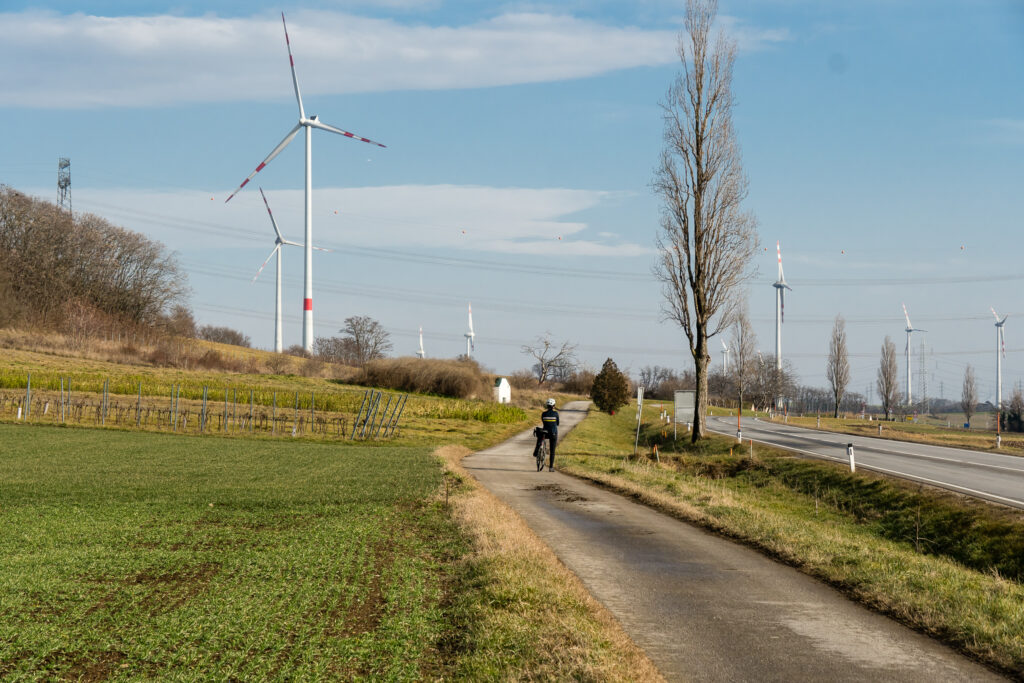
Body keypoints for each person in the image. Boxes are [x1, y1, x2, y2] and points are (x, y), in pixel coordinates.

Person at [533, 398, 559, 471]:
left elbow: (543, 421)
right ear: (554, 406)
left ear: (547, 406)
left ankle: (536, 451)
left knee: (540, 437)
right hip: (553, 433)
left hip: (545, 432)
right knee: (552, 450)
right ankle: (551, 467)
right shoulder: (556, 413)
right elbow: (557, 423)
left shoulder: (543, 413)